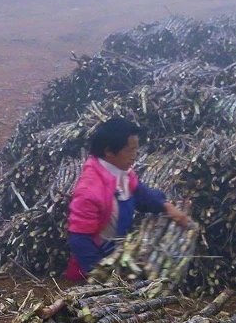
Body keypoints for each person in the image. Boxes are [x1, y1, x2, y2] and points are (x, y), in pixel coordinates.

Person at [65, 118, 191, 280]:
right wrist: (100, 276)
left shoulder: (121, 172)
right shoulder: (89, 190)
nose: (135, 156)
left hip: (118, 259)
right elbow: (80, 240)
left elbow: (139, 192)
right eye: (130, 150)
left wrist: (166, 207)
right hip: (92, 271)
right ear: (109, 151)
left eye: (136, 149)